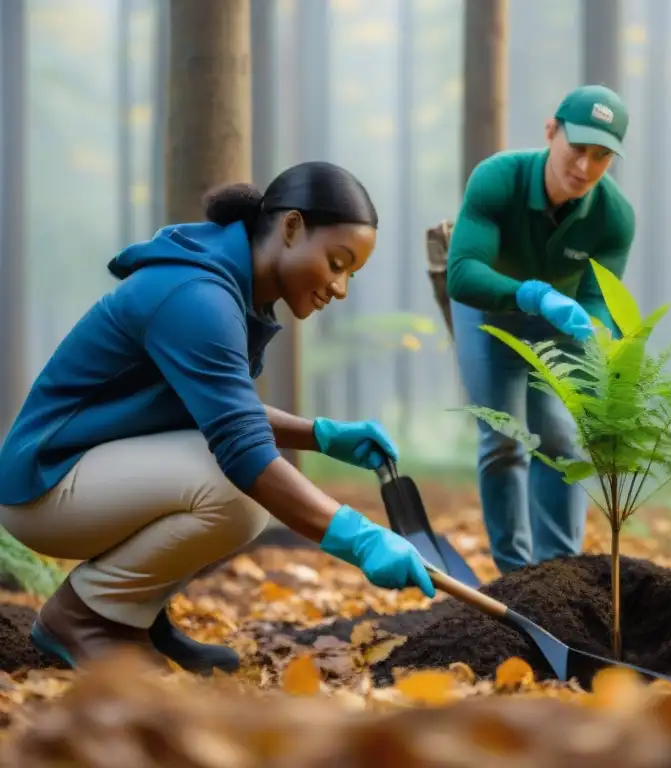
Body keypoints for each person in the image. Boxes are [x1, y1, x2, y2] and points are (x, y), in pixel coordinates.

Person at [0, 161, 436, 673]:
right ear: (291, 228)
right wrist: (359, 538)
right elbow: (243, 447)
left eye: (351, 275)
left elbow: (220, 407)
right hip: (47, 482)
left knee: (231, 482)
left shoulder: (226, 287)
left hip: (86, 469)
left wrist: (320, 436)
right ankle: (83, 618)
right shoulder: (197, 297)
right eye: (337, 263)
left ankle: (133, 618)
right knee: (236, 491)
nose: (339, 288)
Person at [445, 84, 636, 575]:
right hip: (487, 309)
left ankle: (558, 575)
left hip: (559, 321)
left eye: (601, 157)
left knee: (561, 438)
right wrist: (532, 294)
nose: (584, 168)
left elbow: (599, 296)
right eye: (577, 149)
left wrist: (593, 333)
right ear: (552, 132)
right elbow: (463, 273)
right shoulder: (498, 179)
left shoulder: (614, 217)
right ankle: (515, 575)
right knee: (504, 438)